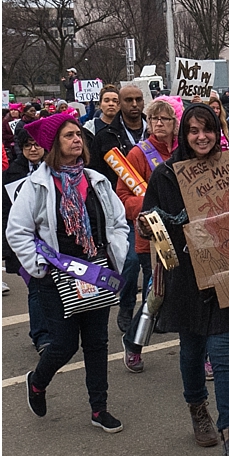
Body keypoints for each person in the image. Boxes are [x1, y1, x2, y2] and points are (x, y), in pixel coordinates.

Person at [138, 104, 229, 456]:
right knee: (192, 351)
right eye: (193, 131)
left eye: (207, 129)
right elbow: (149, 217)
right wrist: (149, 226)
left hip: (228, 273)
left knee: (224, 356)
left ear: (217, 130)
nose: (201, 137)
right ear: (183, 134)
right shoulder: (165, 175)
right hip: (186, 277)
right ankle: (197, 407)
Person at [6, 113, 129, 432]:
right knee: (63, 345)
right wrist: (38, 265)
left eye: (78, 134)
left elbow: (118, 221)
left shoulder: (97, 180)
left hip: (95, 272)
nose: (77, 139)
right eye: (68, 135)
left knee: (97, 342)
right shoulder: (36, 186)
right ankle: (37, 382)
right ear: (53, 145)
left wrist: (114, 246)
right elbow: (17, 231)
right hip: (55, 278)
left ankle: (99, 409)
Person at [117, 97, 180, 372]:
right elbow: (123, 196)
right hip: (153, 238)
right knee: (156, 295)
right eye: (154, 118)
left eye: (164, 118)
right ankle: (133, 342)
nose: (158, 123)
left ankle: (203, 355)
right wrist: (150, 205)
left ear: (176, 122)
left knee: (194, 292)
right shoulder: (138, 153)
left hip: (186, 235)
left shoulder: (186, 150)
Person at [90, 84, 146, 333]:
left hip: (155, 204)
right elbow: (95, 175)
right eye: (129, 100)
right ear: (121, 104)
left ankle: (150, 311)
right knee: (131, 261)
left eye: (138, 99)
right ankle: (126, 306)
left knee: (158, 264)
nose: (134, 104)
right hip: (121, 206)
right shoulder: (105, 136)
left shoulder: (153, 130)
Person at [2, 128, 52, 352]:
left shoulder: (53, 169)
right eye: (27, 145)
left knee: (53, 287)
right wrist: (7, 246)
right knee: (35, 288)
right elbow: (5, 213)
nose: (33, 149)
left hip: (52, 240)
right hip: (26, 242)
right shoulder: (11, 174)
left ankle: (54, 330)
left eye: (36, 144)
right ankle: (41, 335)